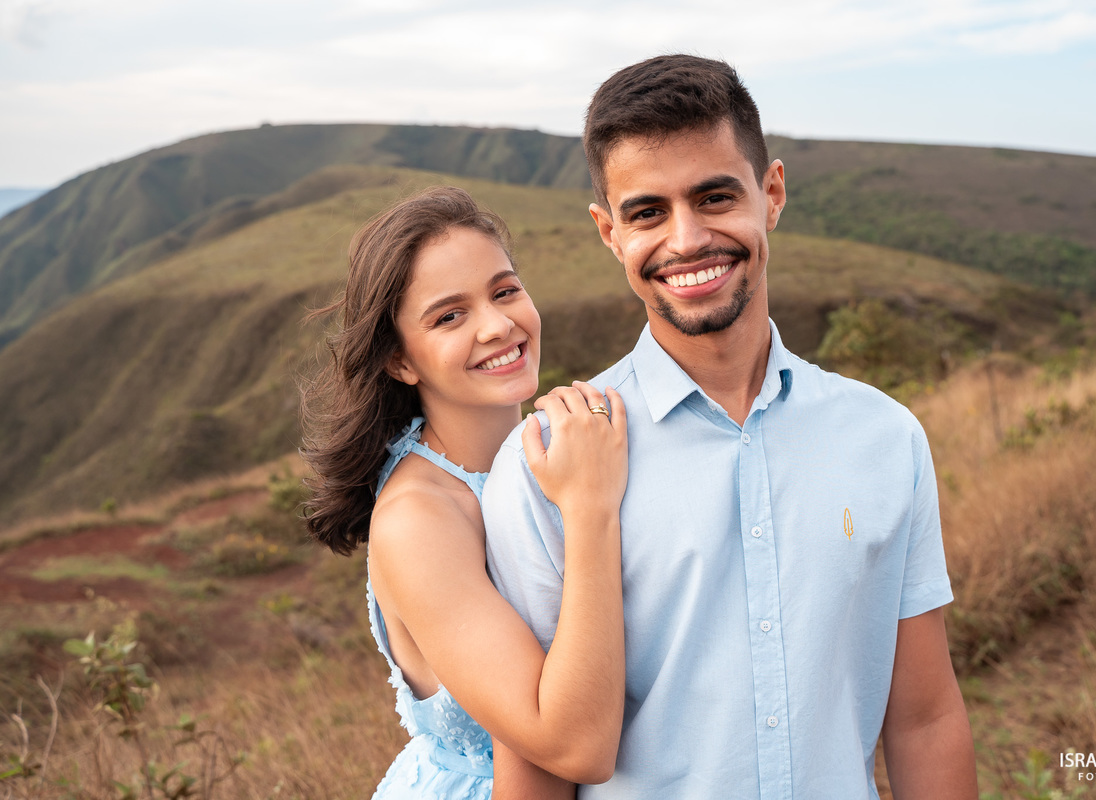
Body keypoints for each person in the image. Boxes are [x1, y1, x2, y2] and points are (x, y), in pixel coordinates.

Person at [483, 55, 978, 798]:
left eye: (715, 197)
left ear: (770, 193)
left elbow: (924, 719)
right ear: (609, 232)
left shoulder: (886, 438)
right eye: (647, 212)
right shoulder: (545, 465)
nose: (686, 240)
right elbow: (537, 764)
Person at [301, 186, 627, 799]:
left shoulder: (541, 456)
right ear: (400, 360)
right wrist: (589, 509)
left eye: (505, 291)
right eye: (450, 316)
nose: (498, 325)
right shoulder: (418, 519)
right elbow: (571, 746)